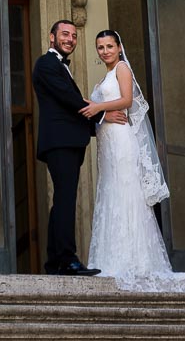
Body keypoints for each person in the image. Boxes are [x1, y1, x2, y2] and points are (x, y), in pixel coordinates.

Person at [32, 19, 128, 276]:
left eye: (74, 36)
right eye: (64, 34)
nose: (70, 39)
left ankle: (55, 262)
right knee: (65, 199)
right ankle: (67, 259)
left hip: (68, 140)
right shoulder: (46, 64)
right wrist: (102, 117)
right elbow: (69, 99)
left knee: (62, 200)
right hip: (60, 141)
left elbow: (71, 103)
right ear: (51, 38)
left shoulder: (59, 66)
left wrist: (95, 125)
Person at [79, 29, 171, 289]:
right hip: (107, 145)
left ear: (119, 47)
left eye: (109, 46)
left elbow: (127, 100)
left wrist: (97, 107)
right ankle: (111, 258)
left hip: (121, 142)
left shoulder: (122, 69)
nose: (105, 51)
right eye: (100, 47)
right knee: (110, 192)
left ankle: (137, 261)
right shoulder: (106, 76)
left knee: (125, 192)